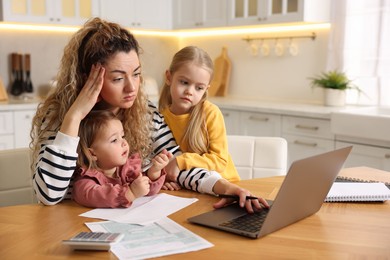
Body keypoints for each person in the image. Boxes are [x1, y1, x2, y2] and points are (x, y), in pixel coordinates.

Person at [30, 17, 267, 212]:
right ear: (87, 79)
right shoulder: (59, 117)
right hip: (68, 224)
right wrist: (74, 117)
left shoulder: (146, 115)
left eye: (136, 74)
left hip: (129, 220)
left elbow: (175, 164)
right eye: (118, 78)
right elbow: (49, 195)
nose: (132, 88)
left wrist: (226, 187)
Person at [159, 46, 240, 184]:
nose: (190, 91)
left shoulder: (210, 113)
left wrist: (181, 162)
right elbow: (162, 159)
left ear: (206, 89)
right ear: (168, 77)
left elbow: (220, 161)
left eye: (199, 88)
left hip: (226, 185)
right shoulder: (161, 117)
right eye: (184, 82)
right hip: (192, 186)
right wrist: (164, 177)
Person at [72, 110, 170, 208]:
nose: (124, 142)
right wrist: (131, 193)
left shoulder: (127, 169)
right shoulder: (87, 179)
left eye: (122, 136)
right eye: (114, 140)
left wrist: (154, 172)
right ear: (92, 153)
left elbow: (147, 190)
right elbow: (93, 195)